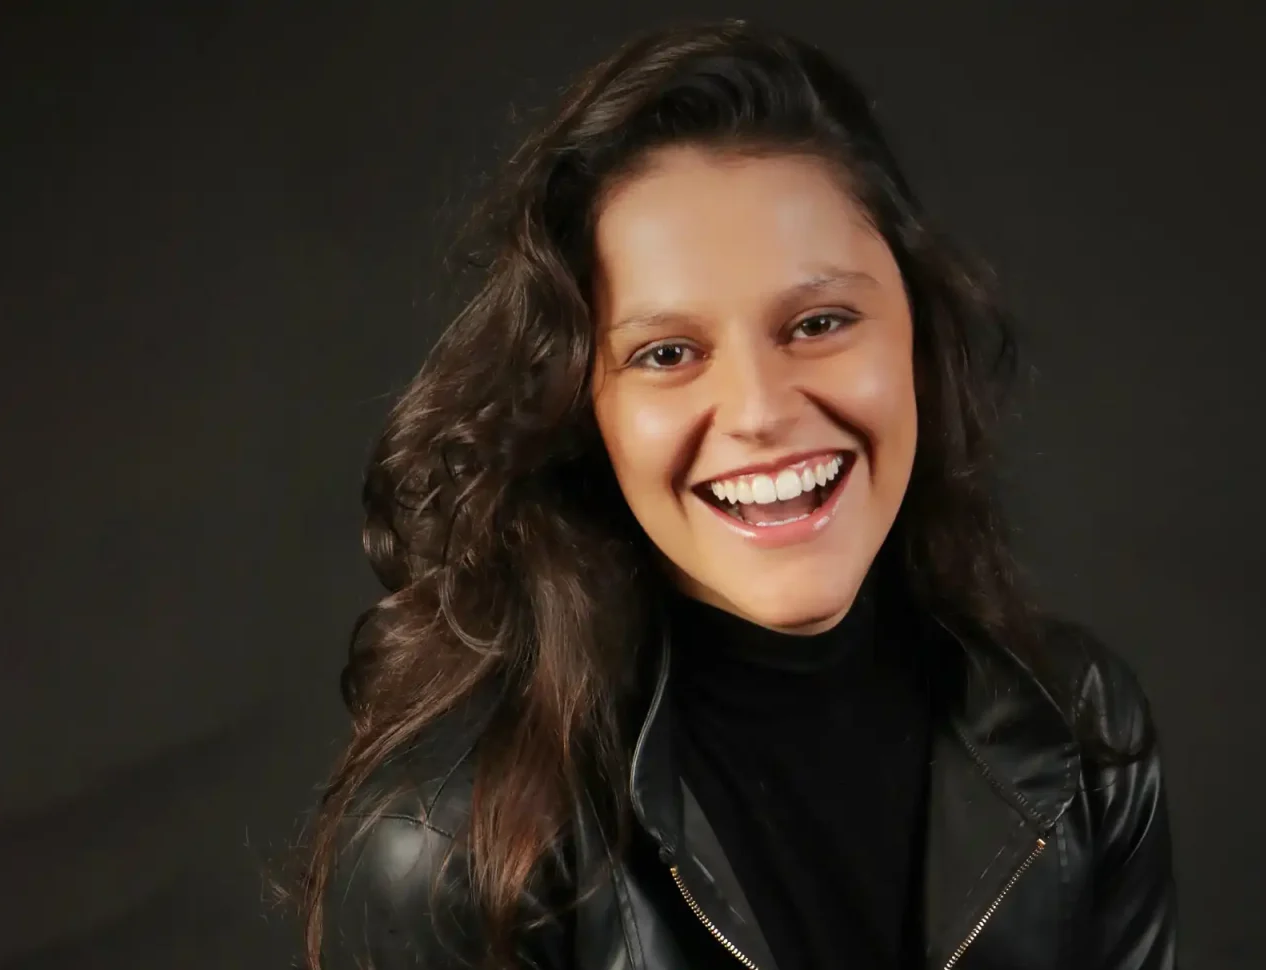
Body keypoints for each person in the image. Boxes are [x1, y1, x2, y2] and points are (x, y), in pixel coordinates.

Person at [297, 18, 1178, 970]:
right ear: (582, 408)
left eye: (819, 322)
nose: (760, 411)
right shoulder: (448, 850)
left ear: (918, 338)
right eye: (667, 353)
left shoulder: (1078, 728)